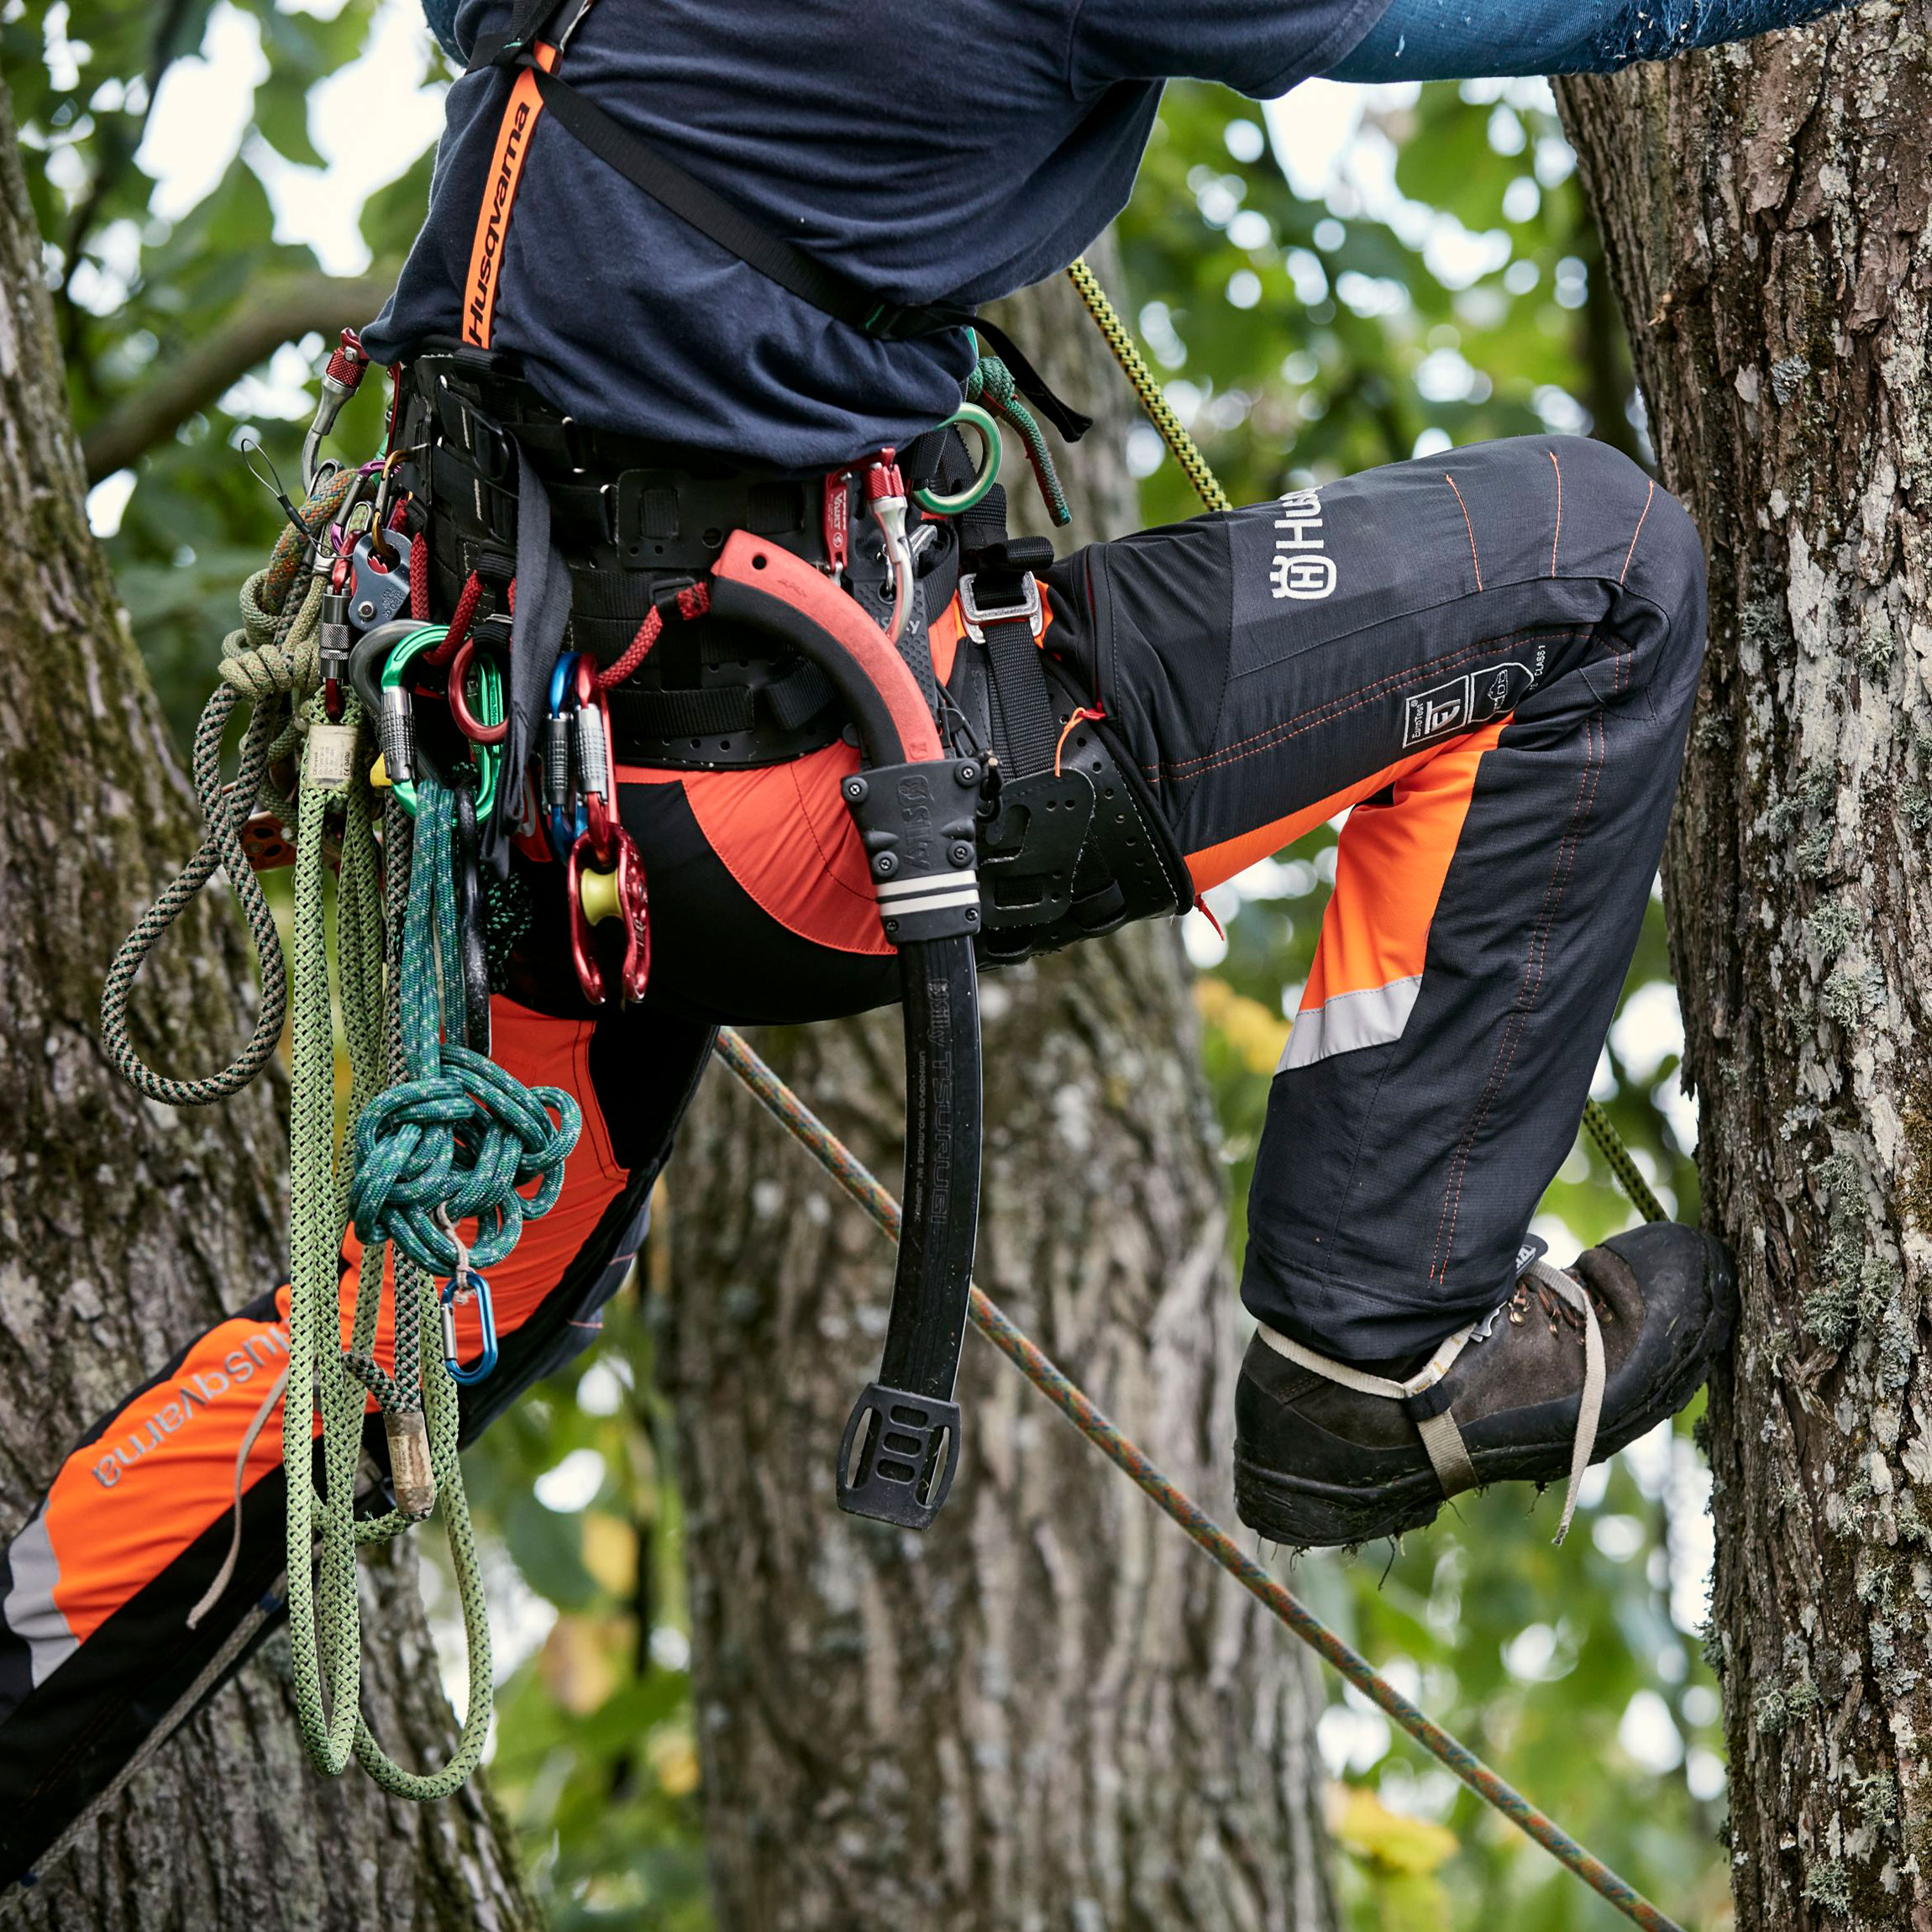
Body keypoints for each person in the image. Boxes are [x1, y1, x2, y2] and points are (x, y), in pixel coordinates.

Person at [0, 0, 1853, 1890]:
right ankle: (1371, 1354)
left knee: (375, 1360)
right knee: (1595, 570)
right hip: (778, 774)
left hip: (535, 775)